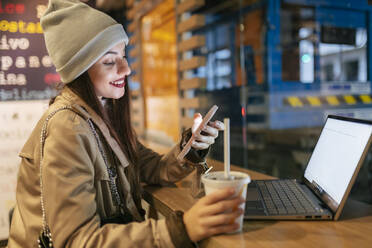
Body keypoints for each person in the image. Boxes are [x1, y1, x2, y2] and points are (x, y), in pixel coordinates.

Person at [8, 0, 245, 247]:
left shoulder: (103, 114)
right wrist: (181, 229)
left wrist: (191, 149)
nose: (127, 69)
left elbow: (152, 168)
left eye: (123, 56)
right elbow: (76, 241)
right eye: (110, 61)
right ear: (79, 69)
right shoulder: (67, 130)